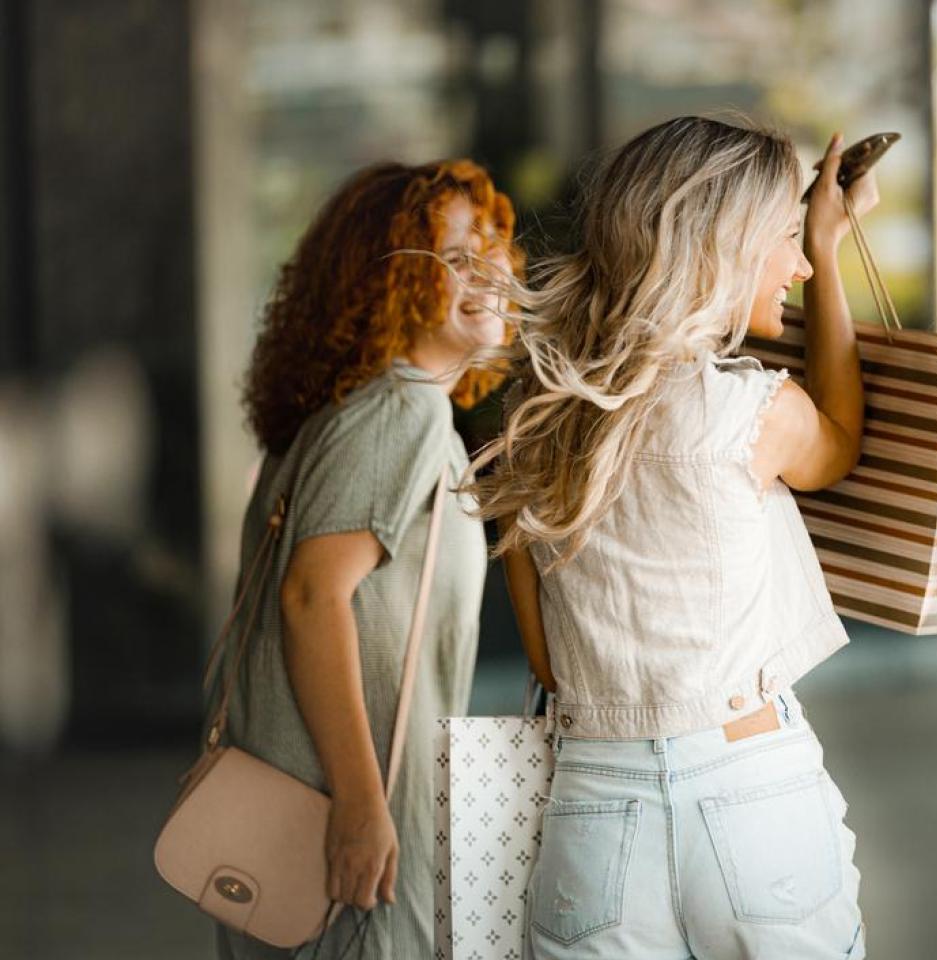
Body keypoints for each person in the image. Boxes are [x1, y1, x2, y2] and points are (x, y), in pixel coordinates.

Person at [470, 117, 872, 959]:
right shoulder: (753, 412)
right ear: (719, 247)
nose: (797, 265)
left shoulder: (539, 418)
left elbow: (548, 662)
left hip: (594, 807)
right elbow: (839, 439)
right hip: (750, 794)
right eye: (787, 242)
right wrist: (836, 253)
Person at [220, 159, 518, 958]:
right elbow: (312, 597)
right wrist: (359, 805)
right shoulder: (402, 411)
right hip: (349, 840)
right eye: (457, 257)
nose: (491, 269)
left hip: (298, 824)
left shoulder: (347, 415)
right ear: (388, 282)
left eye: (492, 248)